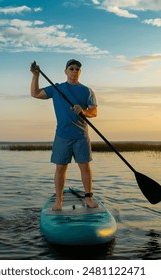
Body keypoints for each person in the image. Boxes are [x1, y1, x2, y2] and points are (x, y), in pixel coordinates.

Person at [30, 59, 98, 211]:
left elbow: (94, 111)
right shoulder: (57, 89)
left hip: (81, 135)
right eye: (71, 68)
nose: (74, 71)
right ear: (66, 71)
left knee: (85, 167)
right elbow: (35, 94)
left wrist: (84, 111)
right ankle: (58, 200)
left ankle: (89, 199)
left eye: (77, 69)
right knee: (60, 168)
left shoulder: (87, 91)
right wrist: (35, 75)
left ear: (80, 72)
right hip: (62, 135)